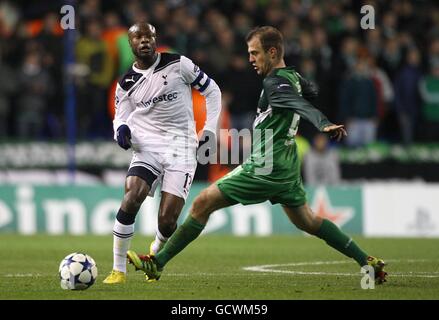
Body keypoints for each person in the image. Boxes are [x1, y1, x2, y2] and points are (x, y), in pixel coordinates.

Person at [127, 26, 387, 284]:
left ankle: (157, 263)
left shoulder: (275, 81)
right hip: (286, 165)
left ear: (272, 52)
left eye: (255, 53)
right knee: (308, 221)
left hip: (265, 165)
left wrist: (322, 123)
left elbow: (299, 102)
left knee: (201, 203)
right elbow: (311, 92)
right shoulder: (290, 77)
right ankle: (367, 261)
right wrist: (302, 87)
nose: (251, 59)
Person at [103, 22, 222, 284]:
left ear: (155, 40)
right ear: (130, 44)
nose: (144, 41)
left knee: (167, 222)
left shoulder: (178, 64)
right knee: (132, 196)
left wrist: (209, 130)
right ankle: (117, 269)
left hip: (181, 147)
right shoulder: (126, 83)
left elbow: (212, 90)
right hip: (147, 146)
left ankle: (154, 257)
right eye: (138, 37)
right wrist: (121, 130)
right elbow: (120, 117)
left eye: (149, 36)